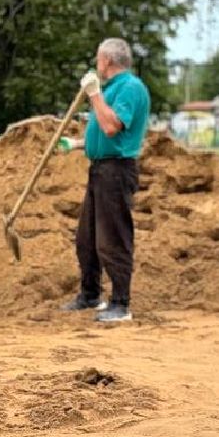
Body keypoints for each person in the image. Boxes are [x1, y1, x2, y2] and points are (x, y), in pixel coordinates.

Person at [60, 38, 151, 324]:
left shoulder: (130, 88)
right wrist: (76, 143)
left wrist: (94, 94)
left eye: (98, 59)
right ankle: (90, 295)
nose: (97, 64)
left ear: (107, 61)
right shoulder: (112, 89)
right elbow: (101, 131)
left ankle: (121, 304)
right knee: (86, 239)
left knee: (112, 239)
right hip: (100, 168)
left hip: (117, 171)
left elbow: (112, 127)